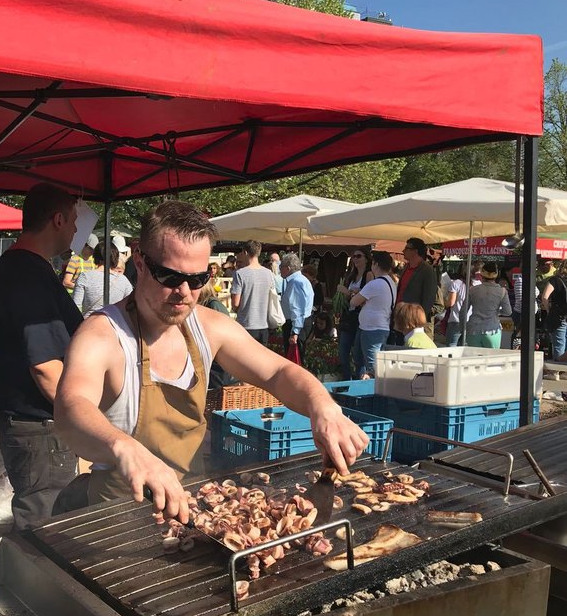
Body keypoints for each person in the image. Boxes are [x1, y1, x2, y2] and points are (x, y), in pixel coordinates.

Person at [53, 201, 369, 521]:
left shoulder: (207, 326)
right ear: (140, 262)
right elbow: (71, 408)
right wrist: (124, 448)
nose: (184, 292)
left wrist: (323, 407)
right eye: (169, 276)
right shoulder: (104, 333)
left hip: (192, 506)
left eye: (197, 278)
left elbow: (277, 371)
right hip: (118, 517)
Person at [0, 184, 84, 530]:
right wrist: (84, 419)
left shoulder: (23, 269)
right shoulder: (27, 275)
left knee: (46, 518)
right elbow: (44, 367)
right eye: (73, 220)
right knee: (45, 525)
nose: (75, 229)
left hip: (35, 424)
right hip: (39, 426)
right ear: (57, 220)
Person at [349, 251, 397, 378]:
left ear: (375, 264)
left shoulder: (375, 284)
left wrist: (355, 295)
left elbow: (354, 301)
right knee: (366, 361)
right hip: (379, 327)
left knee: (372, 367)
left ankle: (376, 393)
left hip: (372, 329)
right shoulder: (391, 282)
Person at [391, 237, 438, 344]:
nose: (403, 251)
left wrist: (419, 321)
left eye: (406, 248)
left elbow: (428, 298)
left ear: (415, 251)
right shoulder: (406, 267)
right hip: (401, 319)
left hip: (413, 322)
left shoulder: (427, 270)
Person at [335, 248, 372, 380]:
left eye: (358, 256)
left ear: (366, 258)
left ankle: (359, 382)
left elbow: (366, 298)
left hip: (360, 318)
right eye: (353, 256)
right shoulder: (351, 275)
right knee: (343, 353)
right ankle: (347, 380)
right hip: (348, 317)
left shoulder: (368, 275)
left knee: (358, 355)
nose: (355, 259)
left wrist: (348, 292)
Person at [230, 240, 275, 347]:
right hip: (264, 325)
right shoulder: (268, 273)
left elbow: (235, 303)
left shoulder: (240, 274)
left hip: (246, 324)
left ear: (245, 252)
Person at [73, 239, 134, 317]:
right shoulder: (123, 280)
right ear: (115, 257)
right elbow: (131, 307)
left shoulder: (85, 277)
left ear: (95, 256)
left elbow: (75, 307)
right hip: (114, 325)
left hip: (88, 324)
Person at [466, 262, 511, 349]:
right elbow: (507, 312)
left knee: (473, 360)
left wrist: (462, 329)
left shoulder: (473, 290)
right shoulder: (502, 291)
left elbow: (463, 311)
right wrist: (497, 312)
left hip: (474, 329)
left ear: (482, 275)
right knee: (491, 360)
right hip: (492, 329)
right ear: (496, 275)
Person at [279, 253, 313, 357]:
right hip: (298, 323)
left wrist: (295, 332)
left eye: (281, 267)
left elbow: (297, 309)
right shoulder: (298, 280)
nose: (279, 269)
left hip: (297, 324)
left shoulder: (296, 282)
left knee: (295, 359)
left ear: (288, 268)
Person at [443, 261, 481, 347]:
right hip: (471, 321)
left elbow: (450, 303)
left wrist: (444, 300)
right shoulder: (478, 284)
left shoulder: (456, 283)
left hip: (456, 320)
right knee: (466, 348)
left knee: (451, 347)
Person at [540, 260, 567, 360]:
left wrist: (548, 310)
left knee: (559, 345)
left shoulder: (555, 280)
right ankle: (564, 371)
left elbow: (544, 297)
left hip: (558, 317)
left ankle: (556, 371)